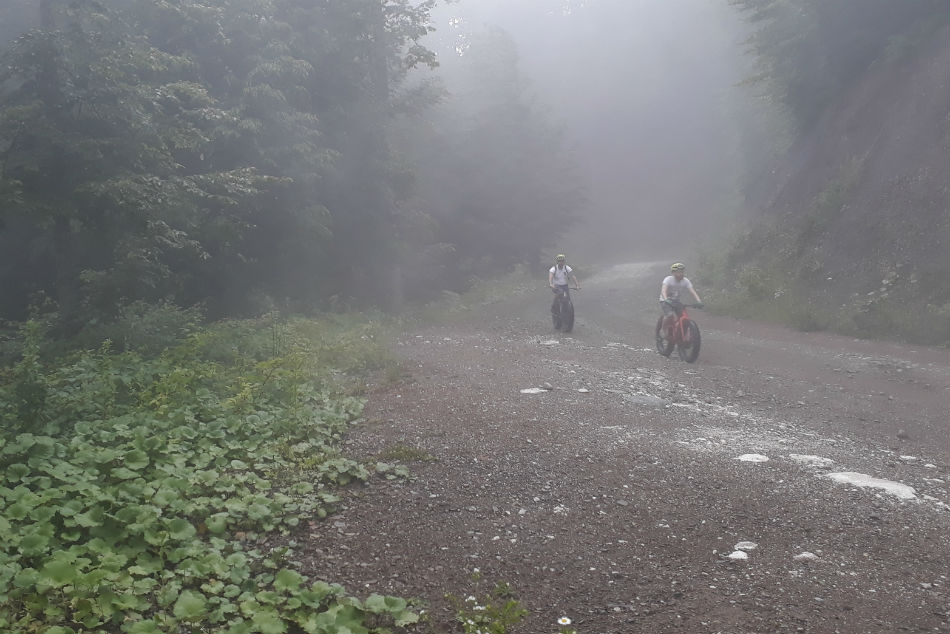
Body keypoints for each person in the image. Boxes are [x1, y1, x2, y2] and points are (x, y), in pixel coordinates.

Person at [659, 262, 703, 328]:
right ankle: (663, 329)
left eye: (682, 272)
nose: (680, 274)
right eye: (678, 272)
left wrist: (699, 301)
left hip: (676, 301)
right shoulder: (668, 279)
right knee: (670, 315)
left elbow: (693, 292)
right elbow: (663, 290)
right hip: (665, 301)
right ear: (673, 273)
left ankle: (680, 332)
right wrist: (666, 299)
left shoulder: (686, 281)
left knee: (683, 316)